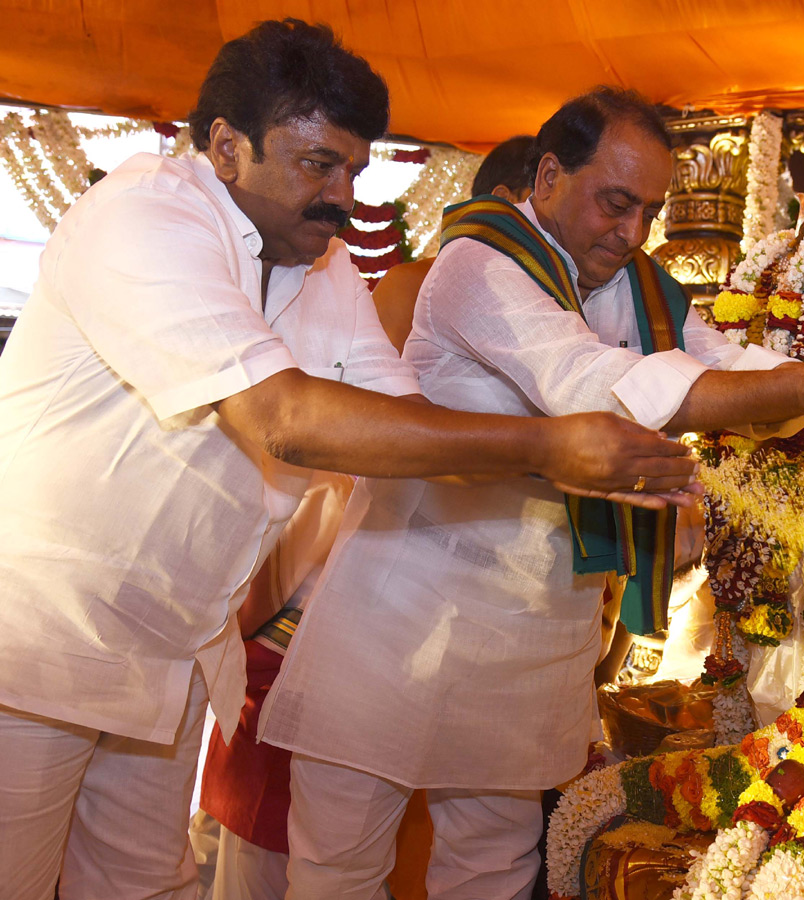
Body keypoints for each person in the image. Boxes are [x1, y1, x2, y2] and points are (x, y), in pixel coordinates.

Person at [0, 23, 697, 900]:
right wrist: (549, 445)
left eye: (357, 173)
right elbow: (282, 420)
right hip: (34, 640)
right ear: (226, 144)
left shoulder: (319, 264)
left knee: (140, 889)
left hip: (171, 652)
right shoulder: (148, 214)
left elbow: (409, 429)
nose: (344, 199)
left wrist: (580, 468)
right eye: (319, 165)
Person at [261, 85, 804, 900]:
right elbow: (592, 384)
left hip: (534, 628)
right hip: (403, 613)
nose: (631, 234)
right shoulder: (476, 268)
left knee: (490, 868)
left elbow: (721, 364)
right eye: (614, 203)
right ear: (548, 174)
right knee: (336, 868)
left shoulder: (640, 290)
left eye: (648, 212)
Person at [191, 135, 541, 900]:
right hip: (337, 605)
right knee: (284, 851)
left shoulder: (549, 310)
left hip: (448, 628)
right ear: (523, 198)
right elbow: (347, 464)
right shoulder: (416, 286)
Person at [370, 134, 535, 350]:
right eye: (543, 202)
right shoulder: (410, 285)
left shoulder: (551, 293)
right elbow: (374, 381)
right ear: (504, 199)